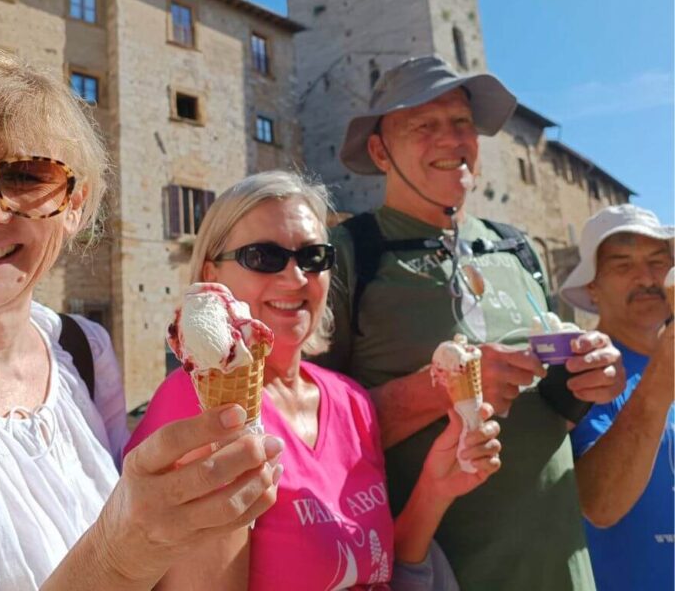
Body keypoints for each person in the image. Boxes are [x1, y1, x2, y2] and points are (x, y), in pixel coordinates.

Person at [0, 49, 282, 591]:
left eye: (28, 176)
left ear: (74, 206)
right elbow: (123, 553)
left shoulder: (83, 350)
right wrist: (123, 553)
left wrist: (206, 519)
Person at [314, 55, 627, 591]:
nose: (451, 138)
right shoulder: (344, 256)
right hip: (439, 575)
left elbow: (554, 411)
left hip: (562, 571)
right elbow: (311, 430)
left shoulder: (517, 248)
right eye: (424, 125)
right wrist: (443, 388)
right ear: (380, 152)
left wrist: (594, 376)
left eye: (462, 122)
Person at [127, 170, 503, 591]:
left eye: (313, 257)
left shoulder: (351, 400)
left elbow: (377, 570)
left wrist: (435, 488)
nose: (295, 279)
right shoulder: (198, 406)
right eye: (263, 257)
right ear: (212, 275)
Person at [561, 204, 674, 591]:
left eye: (658, 262)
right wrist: (661, 378)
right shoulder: (580, 371)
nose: (646, 278)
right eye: (623, 266)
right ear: (592, 287)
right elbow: (600, 505)